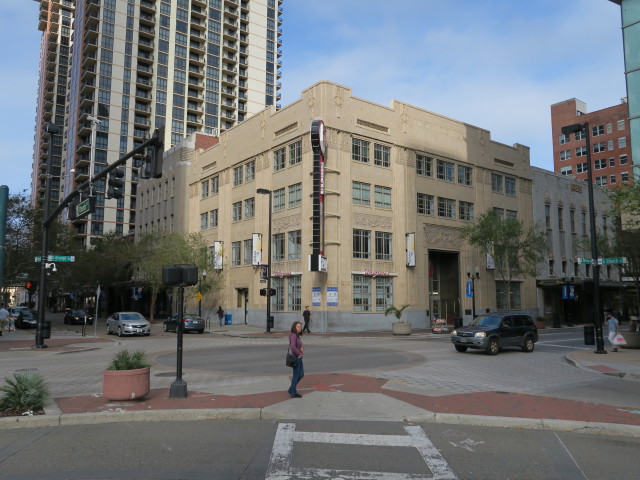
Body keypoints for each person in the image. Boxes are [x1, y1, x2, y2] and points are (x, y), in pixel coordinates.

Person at [288, 320, 304, 398]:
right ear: (294, 327)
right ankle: (293, 392)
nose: (299, 328)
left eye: (300, 326)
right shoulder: (294, 335)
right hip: (297, 358)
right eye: (298, 326)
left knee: (301, 374)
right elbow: (293, 346)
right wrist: (299, 353)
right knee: (296, 375)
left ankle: (291, 388)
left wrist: (301, 348)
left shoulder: (296, 335)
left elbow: (296, 346)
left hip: (298, 357)